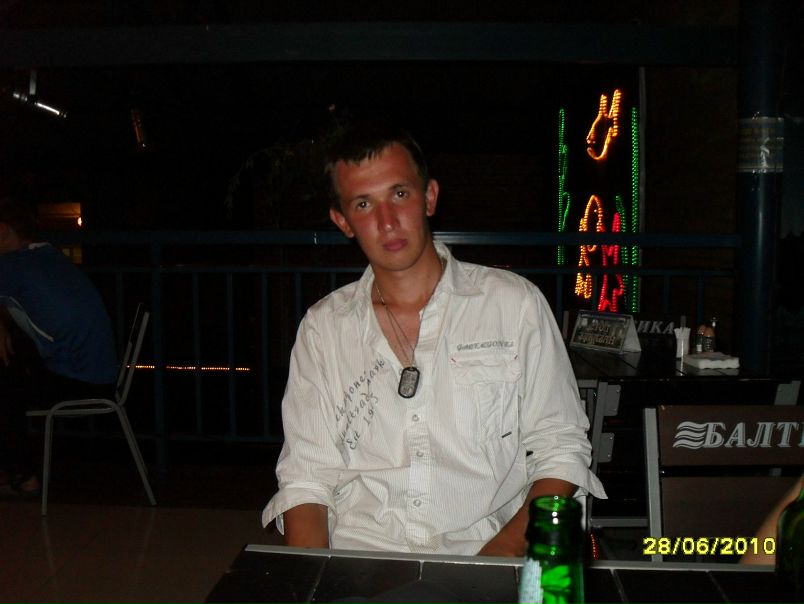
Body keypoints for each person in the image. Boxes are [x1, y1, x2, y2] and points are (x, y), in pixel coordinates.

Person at [261, 121, 606, 556]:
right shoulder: (323, 329)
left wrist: (496, 559)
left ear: (429, 197)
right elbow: (307, 480)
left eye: (399, 194)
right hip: (362, 557)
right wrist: (310, 579)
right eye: (364, 204)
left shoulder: (513, 305)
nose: (387, 222)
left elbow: (561, 449)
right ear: (343, 221)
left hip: (489, 550)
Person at [0, 196, 117, 496]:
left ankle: (22, 475)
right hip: (100, 374)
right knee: (12, 360)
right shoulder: (46, 255)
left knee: (6, 383)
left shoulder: (15, 265)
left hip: (78, 380)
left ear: (3, 231)